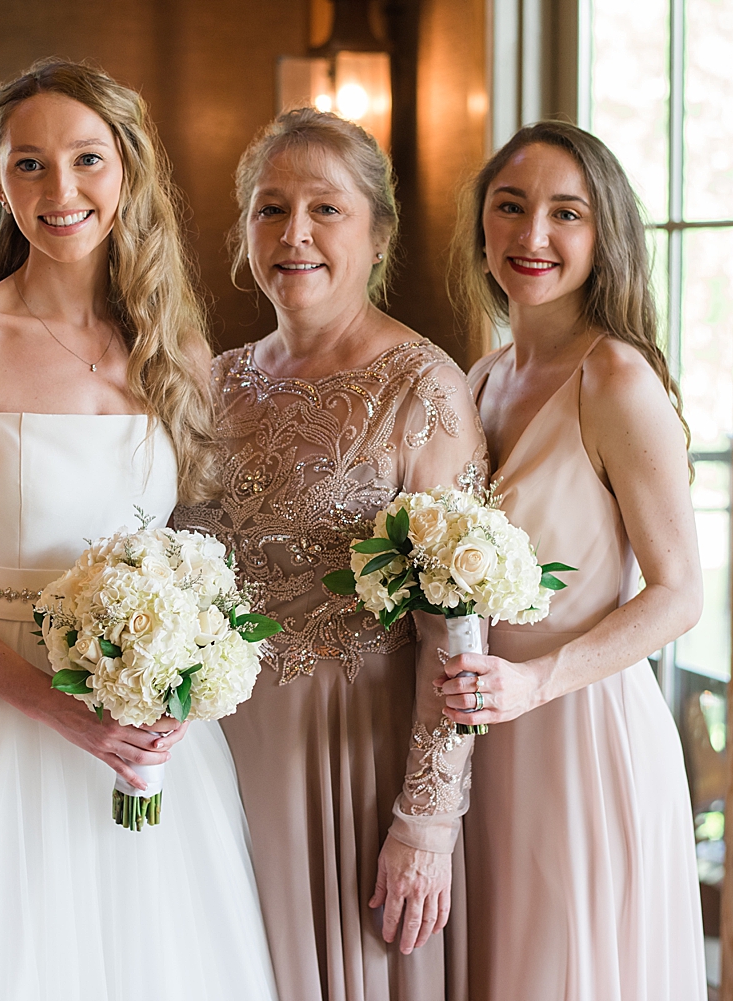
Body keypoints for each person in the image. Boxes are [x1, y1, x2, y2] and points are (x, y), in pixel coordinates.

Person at [0, 59, 277, 1001]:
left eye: (86, 159)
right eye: (29, 164)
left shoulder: (176, 355)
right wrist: (56, 708)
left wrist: (177, 672)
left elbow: (194, 556)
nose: (60, 189)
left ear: (127, 171)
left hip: (146, 740)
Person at [173, 108, 487, 1001]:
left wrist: (427, 819)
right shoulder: (214, 381)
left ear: (379, 231)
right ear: (244, 232)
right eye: (271, 209)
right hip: (215, 754)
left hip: (350, 760)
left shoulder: (425, 387)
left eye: (326, 209)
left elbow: (459, 627)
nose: (294, 234)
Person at [444, 120, 707, 999]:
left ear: (605, 236)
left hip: (581, 734)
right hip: (484, 737)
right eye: (510, 208)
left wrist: (538, 682)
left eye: (567, 213)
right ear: (483, 225)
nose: (532, 236)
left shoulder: (619, 379)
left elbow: (679, 595)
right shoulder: (478, 381)